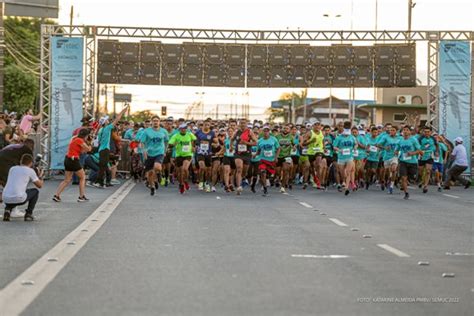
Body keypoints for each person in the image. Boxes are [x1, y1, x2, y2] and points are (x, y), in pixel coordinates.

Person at [53, 128, 92, 202]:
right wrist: (90, 144)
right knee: (82, 177)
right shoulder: (79, 140)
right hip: (73, 160)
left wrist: (88, 143)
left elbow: (82, 151)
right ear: (86, 136)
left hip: (68, 159)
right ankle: (81, 196)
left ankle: (57, 195)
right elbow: (88, 149)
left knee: (67, 180)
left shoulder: (74, 139)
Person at [94, 105, 129, 188]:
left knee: (105, 166)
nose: (109, 121)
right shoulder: (107, 128)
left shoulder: (100, 129)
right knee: (103, 166)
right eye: (107, 120)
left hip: (101, 149)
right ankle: (99, 182)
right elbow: (117, 119)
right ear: (105, 122)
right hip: (105, 149)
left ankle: (106, 181)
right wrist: (123, 111)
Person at [2, 154, 43, 221]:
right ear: (31, 163)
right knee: (35, 191)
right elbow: (40, 185)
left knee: (14, 191)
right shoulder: (30, 171)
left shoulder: (12, 168)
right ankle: (28, 214)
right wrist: (40, 176)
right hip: (19, 199)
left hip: (5, 198)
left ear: (21, 161)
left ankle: (7, 209)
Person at [139, 115, 169, 196]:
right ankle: (152, 187)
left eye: (157, 120)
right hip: (149, 153)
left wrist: (165, 150)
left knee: (157, 167)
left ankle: (159, 175)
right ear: (152, 122)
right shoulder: (146, 131)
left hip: (159, 152)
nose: (155, 122)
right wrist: (144, 151)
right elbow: (142, 142)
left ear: (159, 122)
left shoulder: (164, 131)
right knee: (150, 173)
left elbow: (166, 141)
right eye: (154, 121)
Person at [395, 126, 422, 200]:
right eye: (404, 130)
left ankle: (410, 179)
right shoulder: (400, 140)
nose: (405, 131)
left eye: (407, 130)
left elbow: (419, 150)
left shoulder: (413, 140)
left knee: (413, 178)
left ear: (410, 132)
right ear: (402, 132)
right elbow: (396, 150)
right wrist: (397, 153)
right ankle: (406, 193)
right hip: (403, 161)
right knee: (403, 178)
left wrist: (412, 153)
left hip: (412, 162)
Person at [168, 123, 196, 194]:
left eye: (185, 128)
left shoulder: (190, 134)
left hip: (188, 154)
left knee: (185, 169)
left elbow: (195, 140)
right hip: (179, 155)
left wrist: (193, 146)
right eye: (182, 128)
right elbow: (170, 144)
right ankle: (181, 184)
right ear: (179, 129)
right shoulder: (176, 136)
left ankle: (185, 181)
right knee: (179, 172)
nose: (183, 130)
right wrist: (173, 144)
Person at [256, 125, 280, 196]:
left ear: (269, 132)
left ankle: (270, 179)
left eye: (267, 131)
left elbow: (278, 148)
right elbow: (258, 150)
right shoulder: (260, 140)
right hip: (262, 159)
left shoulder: (274, 139)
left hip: (271, 160)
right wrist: (255, 155)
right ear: (263, 132)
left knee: (269, 174)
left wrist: (276, 157)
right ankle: (265, 188)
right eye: (265, 131)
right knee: (263, 172)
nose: (266, 132)